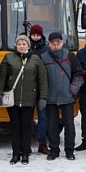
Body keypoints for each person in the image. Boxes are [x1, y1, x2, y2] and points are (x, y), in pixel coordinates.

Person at [0, 35, 48, 165]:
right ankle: (15, 154)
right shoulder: (9, 58)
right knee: (15, 126)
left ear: (28, 46)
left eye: (24, 43)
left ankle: (25, 153)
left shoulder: (35, 59)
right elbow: (2, 77)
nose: (21, 46)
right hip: (12, 99)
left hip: (29, 99)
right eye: (19, 43)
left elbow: (42, 79)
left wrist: (43, 97)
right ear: (15, 45)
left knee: (26, 126)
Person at [40, 31, 84, 160]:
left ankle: (69, 151)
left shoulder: (70, 56)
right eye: (52, 44)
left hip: (67, 98)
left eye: (58, 43)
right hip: (50, 98)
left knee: (69, 125)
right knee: (52, 126)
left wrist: (72, 91)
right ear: (49, 44)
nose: (55, 46)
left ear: (62, 43)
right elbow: (40, 78)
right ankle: (54, 150)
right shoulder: (43, 57)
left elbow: (79, 75)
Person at [29, 24, 50, 154]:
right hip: (29, 89)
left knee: (43, 118)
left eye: (38, 35)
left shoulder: (47, 50)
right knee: (28, 118)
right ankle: (27, 144)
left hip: (42, 88)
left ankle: (42, 143)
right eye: (33, 35)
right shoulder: (25, 47)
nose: (36, 37)